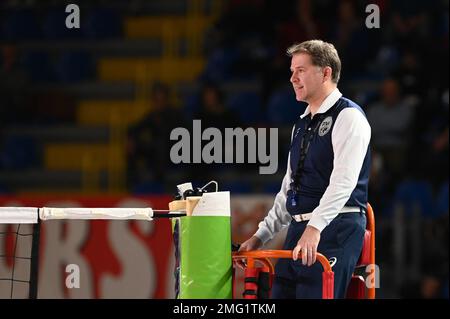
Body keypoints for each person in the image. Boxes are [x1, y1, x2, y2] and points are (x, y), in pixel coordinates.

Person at [237, 40, 372, 299]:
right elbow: (289, 189)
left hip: (336, 227)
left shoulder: (349, 117)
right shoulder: (302, 123)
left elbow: (344, 182)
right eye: (291, 71)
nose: (292, 78)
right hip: (301, 230)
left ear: (326, 72)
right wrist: (260, 236)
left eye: (300, 70)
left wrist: (315, 228)